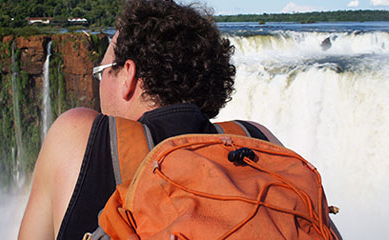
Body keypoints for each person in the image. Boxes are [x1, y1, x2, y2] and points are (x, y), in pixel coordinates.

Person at [17, 0, 283, 239]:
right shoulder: (259, 140)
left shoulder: (77, 132)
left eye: (102, 72)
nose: (99, 85)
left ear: (128, 76)